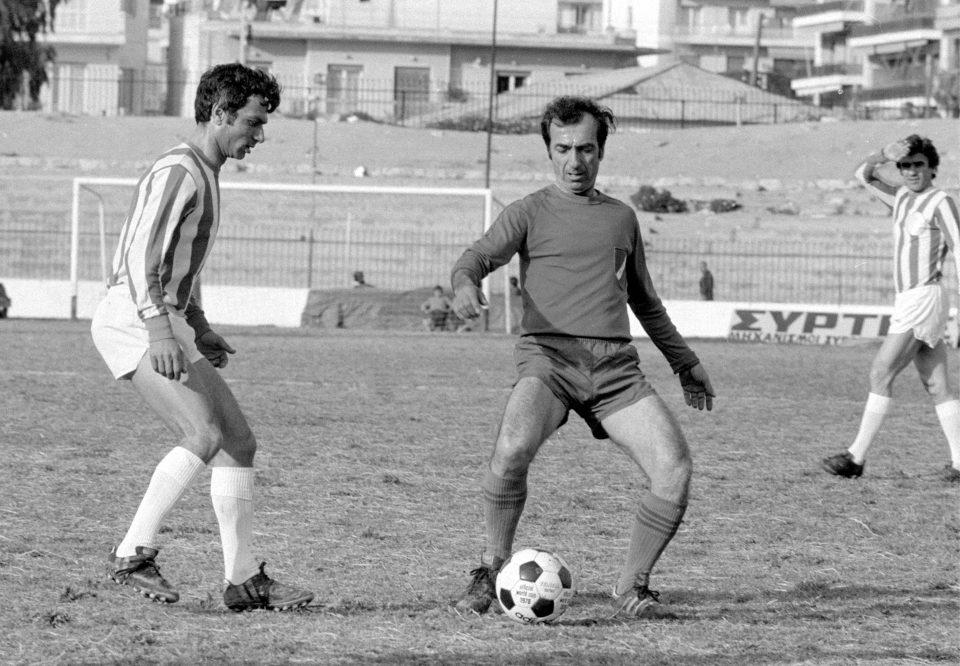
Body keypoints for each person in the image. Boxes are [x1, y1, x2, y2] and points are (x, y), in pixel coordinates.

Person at [450, 96, 716, 618]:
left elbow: (645, 301)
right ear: (549, 150)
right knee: (511, 449)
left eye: (586, 149)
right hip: (548, 362)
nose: (575, 161)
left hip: (615, 371)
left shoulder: (622, 218)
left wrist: (685, 362)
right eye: (563, 149)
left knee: (674, 468)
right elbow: (476, 257)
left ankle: (632, 587)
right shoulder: (527, 211)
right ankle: (491, 569)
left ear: (601, 152)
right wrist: (464, 283)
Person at [90, 63, 314, 611]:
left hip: (164, 317)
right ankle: (132, 553)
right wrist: (159, 329)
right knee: (203, 433)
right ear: (219, 113)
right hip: (135, 317)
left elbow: (177, 266)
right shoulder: (180, 171)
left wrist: (199, 325)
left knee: (238, 442)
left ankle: (242, 582)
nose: (259, 136)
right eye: (254, 123)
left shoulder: (205, 172)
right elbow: (141, 258)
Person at [822, 135, 960, 484]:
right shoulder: (899, 197)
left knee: (881, 372)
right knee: (937, 385)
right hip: (910, 299)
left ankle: (856, 457)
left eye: (919, 165)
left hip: (923, 297)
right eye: (905, 165)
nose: (911, 171)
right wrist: (883, 154)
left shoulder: (941, 202)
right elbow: (862, 173)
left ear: (932, 169)